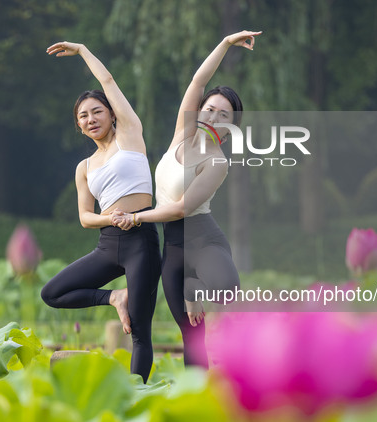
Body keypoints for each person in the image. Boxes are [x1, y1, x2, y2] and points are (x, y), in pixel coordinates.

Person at [112, 30, 262, 368]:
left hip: (203, 240)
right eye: (210, 109)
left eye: (224, 116)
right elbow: (198, 81)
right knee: (191, 335)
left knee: (227, 290)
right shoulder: (181, 133)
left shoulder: (217, 162)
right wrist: (224, 43)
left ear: (231, 128)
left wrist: (136, 217)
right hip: (174, 250)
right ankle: (196, 401)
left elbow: (180, 208)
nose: (213, 117)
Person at [40, 41, 161, 383]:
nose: (90, 119)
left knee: (139, 331)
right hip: (108, 243)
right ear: (78, 126)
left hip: (141, 242)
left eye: (96, 112)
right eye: (83, 116)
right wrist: (110, 219)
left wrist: (82, 51)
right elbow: (85, 217)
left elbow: (108, 81)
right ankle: (114, 297)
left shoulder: (130, 136)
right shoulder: (84, 167)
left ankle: (138, 397)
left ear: (111, 114)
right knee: (52, 293)